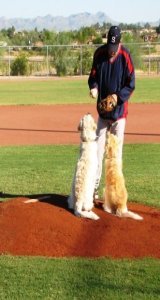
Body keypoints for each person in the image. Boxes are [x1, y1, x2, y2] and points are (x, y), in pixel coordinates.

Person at [88, 25, 135, 200]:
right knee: (96, 153)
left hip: (119, 115)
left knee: (115, 156)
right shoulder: (99, 54)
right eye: (110, 47)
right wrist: (93, 87)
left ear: (120, 43)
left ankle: (114, 194)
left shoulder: (125, 56)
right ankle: (92, 190)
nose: (112, 51)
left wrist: (118, 97)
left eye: (114, 48)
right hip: (102, 114)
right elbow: (93, 77)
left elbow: (131, 84)